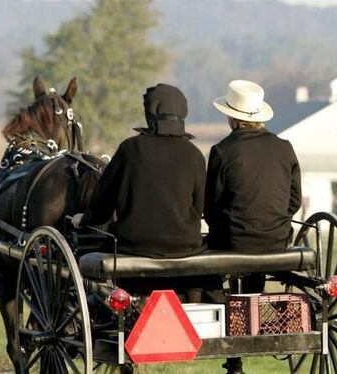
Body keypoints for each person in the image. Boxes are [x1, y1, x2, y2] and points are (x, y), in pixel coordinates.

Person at [72, 84, 207, 296]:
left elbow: (103, 201)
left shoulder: (130, 149)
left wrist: (86, 218)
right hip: (185, 248)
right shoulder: (195, 155)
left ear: (150, 113)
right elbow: (198, 208)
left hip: (133, 248)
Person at [205, 80, 302, 374]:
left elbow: (210, 206)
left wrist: (232, 225)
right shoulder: (284, 148)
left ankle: (231, 332)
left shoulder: (221, 151)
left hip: (233, 242)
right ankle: (252, 316)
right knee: (252, 275)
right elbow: (294, 200)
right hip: (276, 242)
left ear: (232, 117)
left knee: (208, 262)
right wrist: (271, 222)